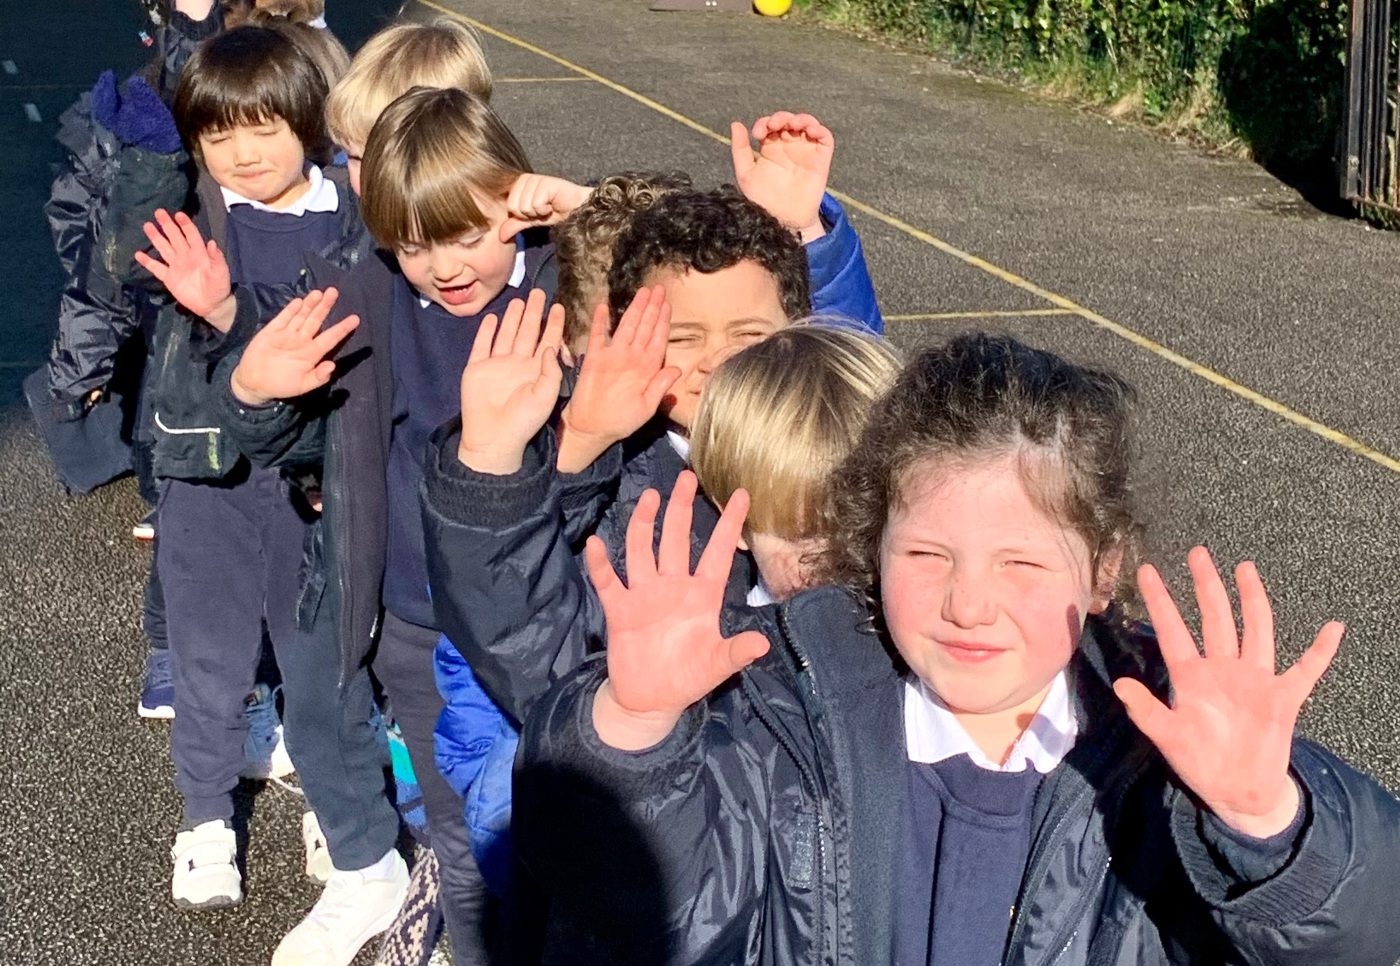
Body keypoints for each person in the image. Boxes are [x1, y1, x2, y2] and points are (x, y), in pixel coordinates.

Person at [514, 332, 1400, 965]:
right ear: (871, 546)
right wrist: (634, 727)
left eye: (1022, 562)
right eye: (927, 556)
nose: (968, 605)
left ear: (1104, 570)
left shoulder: (1176, 751)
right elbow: (625, 906)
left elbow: (1369, 933)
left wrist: (1268, 824)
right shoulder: (781, 716)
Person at [205, 87, 557, 966]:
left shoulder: (566, 282)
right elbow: (290, 438)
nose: (445, 266)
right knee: (461, 834)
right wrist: (251, 393)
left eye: (468, 235)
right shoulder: (366, 297)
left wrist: (586, 207)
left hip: (547, 623)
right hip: (418, 624)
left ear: (518, 201)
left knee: (564, 830)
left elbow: (681, 246)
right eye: (415, 244)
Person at [135, 25, 387, 935]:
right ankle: (205, 816)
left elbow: (339, 335)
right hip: (210, 482)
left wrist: (229, 309)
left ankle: (333, 798)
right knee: (209, 657)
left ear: (307, 122)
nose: (242, 154)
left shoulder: (355, 214)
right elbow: (116, 251)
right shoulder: (192, 214)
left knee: (322, 658)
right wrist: (131, 147)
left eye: (263, 129)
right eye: (217, 134)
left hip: (316, 482)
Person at [688, 324, 900, 604]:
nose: (833, 562)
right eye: (803, 535)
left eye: (864, 533)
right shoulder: (721, 627)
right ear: (736, 524)